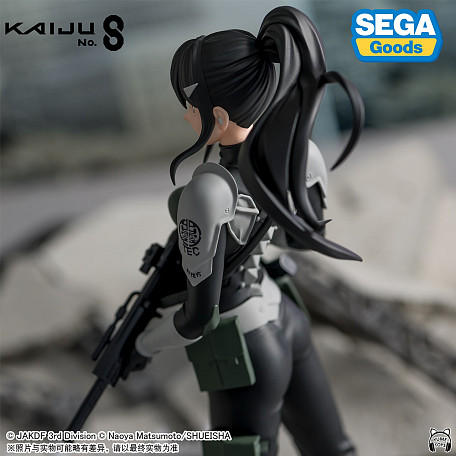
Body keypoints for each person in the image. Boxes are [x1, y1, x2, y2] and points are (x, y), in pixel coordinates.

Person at [136, 6, 364, 456]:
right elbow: (296, 239)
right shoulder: (300, 153)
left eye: (190, 106)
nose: (186, 117)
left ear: (218, 116)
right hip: (287, 317)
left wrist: (145, 343)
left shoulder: (207, 191)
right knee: (332, 448)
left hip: (244, 345)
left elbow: (199, 318)